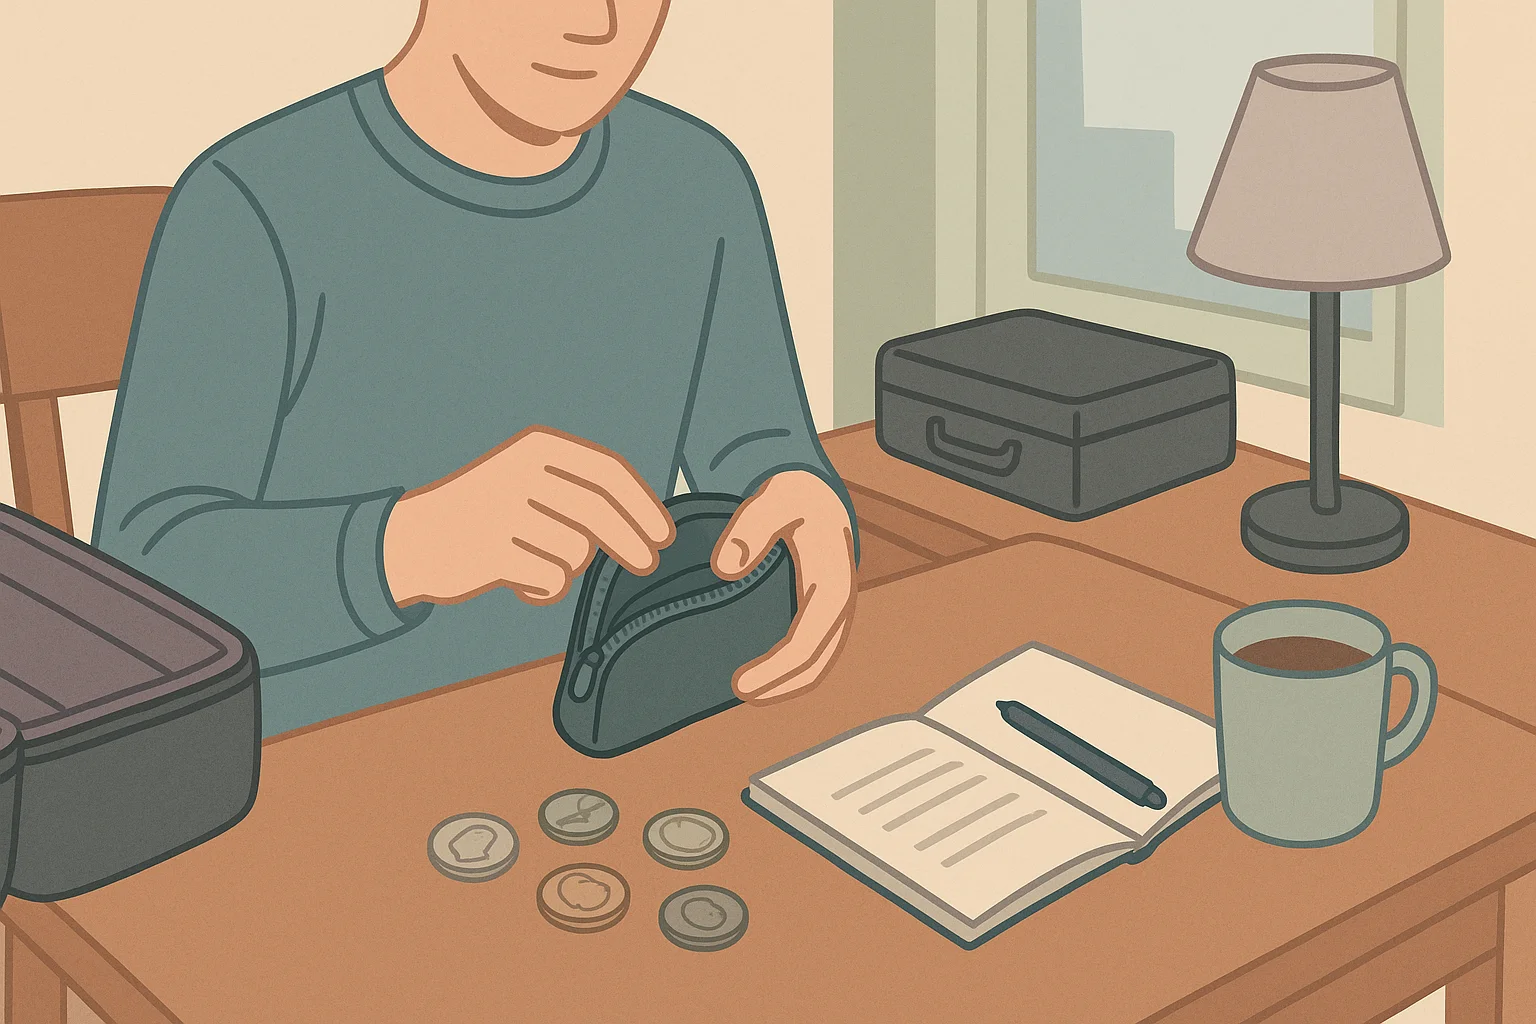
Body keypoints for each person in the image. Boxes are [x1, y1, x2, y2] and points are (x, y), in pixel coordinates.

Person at [94, 0, 859, 736]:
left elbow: (761, 447)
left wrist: (811, 505)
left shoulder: (698, 180)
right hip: (315, 762)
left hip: (608, 726)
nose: (595, 22)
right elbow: (144, 577)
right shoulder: (250, 202)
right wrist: (408, 546)